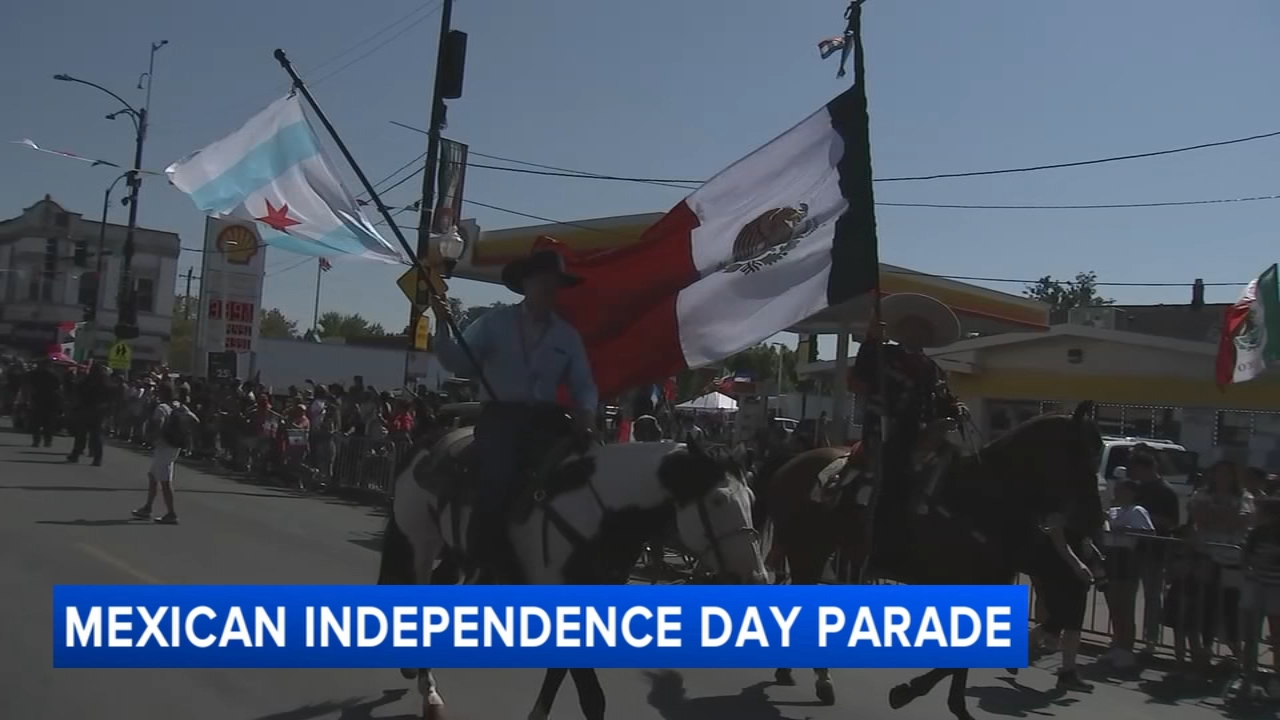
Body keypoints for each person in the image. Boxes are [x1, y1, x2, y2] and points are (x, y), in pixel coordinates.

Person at [429, 249, 598, 582]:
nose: (550, 288)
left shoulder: (567, 335)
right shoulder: (494, 323)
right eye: (544, 281)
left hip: (549, 420)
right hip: (502, 417)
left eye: (555, 283)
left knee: (589, 473)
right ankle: (485, 553)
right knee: (500, 475)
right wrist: (443, 323)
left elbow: (583, 383)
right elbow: (458, 362)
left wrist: (587, 415)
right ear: (526, 284)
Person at [848, 293, 965, 517]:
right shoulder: (882, 355)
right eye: (912, 328)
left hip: (919, 431)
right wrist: (871, 340)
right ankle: (878, 516)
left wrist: (956, 409)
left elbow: (942, 399)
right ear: (901, 331)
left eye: (923, 329)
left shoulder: (932, 368)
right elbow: (860, 375)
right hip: (884, 430)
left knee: (952, 458)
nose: (917, 333)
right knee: (892, 468)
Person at [131, 383, 198, 525]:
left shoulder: (162, 408)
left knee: (165, 480)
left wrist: (153, 437)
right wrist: (184, 432)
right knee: (153, 476)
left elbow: (158, 423)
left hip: (164, 446)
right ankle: (147, 507)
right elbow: (195, 420)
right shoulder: (179, 406)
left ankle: (171, 513)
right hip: (174, 445)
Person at [67, 362, 110, 465]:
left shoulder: (88, 380)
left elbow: (78, 390)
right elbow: (111, 397)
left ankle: (76, 454)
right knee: (96, 435)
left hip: (87, 409)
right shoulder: (105, 382)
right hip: (98, 411)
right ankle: (97, 458)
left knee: (81, 434)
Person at [23, 357, 62, 448]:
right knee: (42, 422)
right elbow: (59, 388)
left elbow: (58, 387)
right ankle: (41, 441)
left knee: (45, 422)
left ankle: (43, 441)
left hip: (46, 400)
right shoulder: (52, 375)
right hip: (43, 400)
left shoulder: (50, 375)